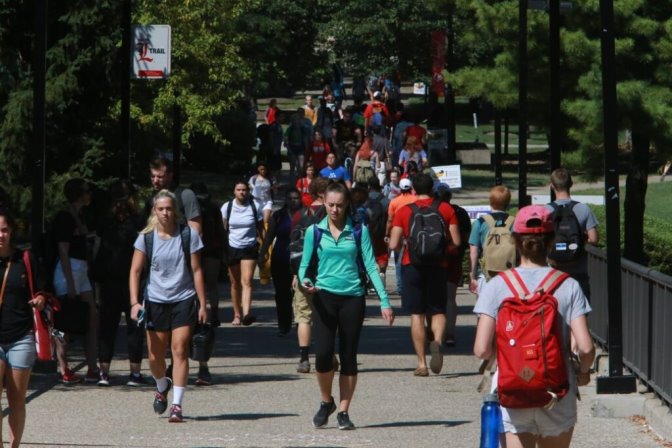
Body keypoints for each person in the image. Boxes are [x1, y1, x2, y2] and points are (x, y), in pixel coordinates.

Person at [473, 205, 595, 448]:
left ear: (516, 241)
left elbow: (481, 349)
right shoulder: (568, 285)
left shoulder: (497, 286)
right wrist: (582, 371)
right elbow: (585, 347)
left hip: (512, 388)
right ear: (551, 241)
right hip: (556, 390)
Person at [299, 182, 394, 430]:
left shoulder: (359, 231)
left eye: (340, 205)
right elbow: (303, 265)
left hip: (353, 297)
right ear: (324, 203)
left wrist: (385, 300)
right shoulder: (315, 232)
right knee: (322, 356)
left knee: (349, 355)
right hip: (324, 296)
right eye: (330, 205)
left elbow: (371, 266)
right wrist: (305, 280)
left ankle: (343, 410)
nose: (334, 210)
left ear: (347, 205)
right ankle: (325, 401)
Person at [129, 189, 208, 423]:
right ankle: (162, 384)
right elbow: (134, 271)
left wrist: (203, 304)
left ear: (175, 211)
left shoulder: (188, 234)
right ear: (155, 211)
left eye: (169, 208)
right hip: (155, 301)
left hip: (183, 299)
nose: (165, 213)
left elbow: (196, 270)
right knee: (155, 356)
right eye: (161, 208)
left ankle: (177, 405)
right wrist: (134, 302)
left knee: (180, 350)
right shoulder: (146, 237)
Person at [389, 174, 461, 376]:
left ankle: (421, 364)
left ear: (412, 190)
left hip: (412, 265)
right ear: (432, 190)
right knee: (438, 310)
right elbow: (456, 241)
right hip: (438, 265)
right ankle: (437, 341)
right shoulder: (445, 209)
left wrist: (407, 243)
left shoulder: (404, 211)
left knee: (417, 315)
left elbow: (394, 244)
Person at [93, 180, 146, 387]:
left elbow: (98, 247)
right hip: (133, 279)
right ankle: (134, 373)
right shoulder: (138, 221)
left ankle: (104, 372)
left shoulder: (106, 221)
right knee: (135, 326)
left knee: (107, 327)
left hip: (108, 279)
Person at [0, 209, 47, 446]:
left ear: (11, 232)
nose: (0, 235)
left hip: (20, 336)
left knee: (17, 399)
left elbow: (40, 290)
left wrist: (39, 300)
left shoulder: (24, 259)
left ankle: (14, 445)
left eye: (4, 230)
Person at [52, 178, 98, 384]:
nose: (90, 195)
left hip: (81, 269)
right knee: (65, 319)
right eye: (87, 191)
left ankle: (92, 367)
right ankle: (63, 367)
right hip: (67, 269)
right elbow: (63, 250)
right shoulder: (64, 217)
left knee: (92, 315)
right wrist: (70, 283)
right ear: (78, 194)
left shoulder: (80, 215)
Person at [190, 182, 226, 385]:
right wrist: (225, 249)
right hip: (211, 251)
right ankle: (214, 312)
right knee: (210, 284)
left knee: (196, 289)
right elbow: (221, 230)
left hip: (194, 256)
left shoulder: (188, 207)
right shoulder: (212, 207)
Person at [292, 177, 329, 373]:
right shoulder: (331, 215)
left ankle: (304, 358)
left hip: (303, 272)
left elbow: (294, 246)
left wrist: (296, 273)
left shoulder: (299, 215)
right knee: (328, 315)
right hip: (327, 271)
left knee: (304, 316)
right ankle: (328, 355)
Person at [546, 168, 599, 301]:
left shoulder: (545, 210)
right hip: (578, 272)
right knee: (580, 316)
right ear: (571, 184)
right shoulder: (583, 209)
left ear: (552, 185)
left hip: (553, 273)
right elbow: (594, 239)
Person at [259, 188, 303, 336]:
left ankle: (301, 325)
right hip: (280, 259)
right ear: (286, 200)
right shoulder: (278, 216)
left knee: (299, 294)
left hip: (300, 260)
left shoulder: (306, 215)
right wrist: (262, 254)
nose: (293, 201)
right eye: (290, 198)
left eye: (296, 198)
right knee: (282, 294)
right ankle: (283, 326)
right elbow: (269, 237)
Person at [221, 181, 264, 326]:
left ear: (248, 191)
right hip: (232, 247)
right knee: (234, 283)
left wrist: (263, 247)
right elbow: (223, 228)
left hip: (249, 247)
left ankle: (246, 313)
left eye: (244, 190)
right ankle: (237, 314)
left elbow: (261, 228)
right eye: (238, 189)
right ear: (234, 191)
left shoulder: (255, 207)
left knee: (247, 281)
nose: (241, 192)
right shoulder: (227, 207)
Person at [468, 185, 514, 295]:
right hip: (510, 275)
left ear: (490, 201)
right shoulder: (515, 222)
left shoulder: (480, 223)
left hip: (486, 275)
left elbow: (473, 253)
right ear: (508, 203)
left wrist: (472, 277)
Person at [147, 157, 202, 234]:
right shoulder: (152, 199)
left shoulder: (186, 195)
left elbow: (196, 233)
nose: (155, 180)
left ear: (170, 175)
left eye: (160, 177)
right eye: (153, 176)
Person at [385, 178, 416, 295]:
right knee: (413, 260)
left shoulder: (394, 202)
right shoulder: (416, 199)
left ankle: (400, 287)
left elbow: (389, 220)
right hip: (413, 232)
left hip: (398, 233)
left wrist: (387, 233)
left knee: (399, 260)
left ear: (400, 189)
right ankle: (411, 286)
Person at [285, 108, 312, 181]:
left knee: (301, 165)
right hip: (292, 147)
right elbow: (286, 140)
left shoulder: (303, 128)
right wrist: (289, 149)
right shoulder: (290, 129)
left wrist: (307, 149)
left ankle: (300, 180)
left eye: (298, 120)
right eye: (295, 120)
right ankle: (291, 181)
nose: (297, 121)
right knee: (292, 165)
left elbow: (306, 138)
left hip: (300, 147)